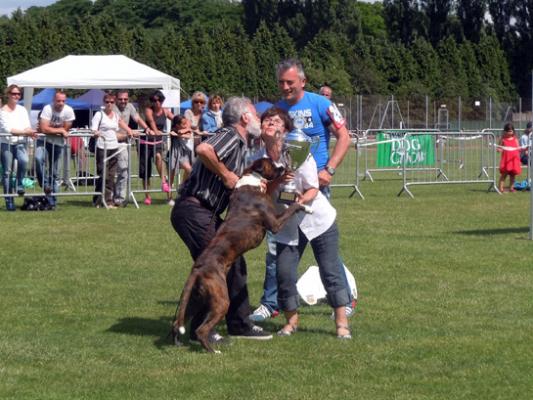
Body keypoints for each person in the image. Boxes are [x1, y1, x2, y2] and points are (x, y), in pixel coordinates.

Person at [250, 59, 355, 321]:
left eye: (290, 82)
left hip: (314, 188)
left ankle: (344, 299)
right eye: (281, 83)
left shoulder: (321, 104)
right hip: (283, 191)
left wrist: (328, 169)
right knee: (277, 249)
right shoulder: (277, 110)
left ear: (303, 82)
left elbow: (345, 136)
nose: (285, 87)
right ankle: (271, 303)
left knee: (325, 250)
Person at [170, 96, 272, 344]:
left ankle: (225, 325)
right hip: (195, 210)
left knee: (229, 265)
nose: (258, 119)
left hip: (202, 211)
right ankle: (205, 329)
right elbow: (203, 149)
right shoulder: (230, 134)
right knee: (217, 267)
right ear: (245, 118)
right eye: (256, 115)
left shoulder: (241, 144)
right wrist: (227, 174)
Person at [259, 108, 352, 339]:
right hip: (286, 223)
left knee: (330, 269)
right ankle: (291, 322)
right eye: (266, 120)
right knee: (284, 272)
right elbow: (265, 191)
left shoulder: (299, 149)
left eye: (275, 120)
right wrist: (279, 181)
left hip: (317, 218)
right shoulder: (258, 157)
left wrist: (299, 201)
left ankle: (342, 324)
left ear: (286, 130)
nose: (270, 123)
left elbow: (313, 187)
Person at [91, 92, 133, 208]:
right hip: (102, 147)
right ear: (103, 103)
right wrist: (96, 133)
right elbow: (93, 129)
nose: (109, 104)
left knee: (111, 175)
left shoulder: (115, 115)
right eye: (107, 102)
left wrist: (129, 131)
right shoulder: (99, 115)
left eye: (111, 102)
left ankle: (107, 201)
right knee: (103, 175)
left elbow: (121, 123)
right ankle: (99, 199)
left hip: (114, 147)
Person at [36, 90, 76, 208]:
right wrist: (60, 130)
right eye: (58, 101)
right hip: (43, 141)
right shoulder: (47, 108)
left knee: (54, 172)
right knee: (38, 159)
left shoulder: (69, 111)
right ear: (54, 100)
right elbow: (44, 129)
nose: (61, 103)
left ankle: (52, 201)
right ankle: (45, 185)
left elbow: (66, 128)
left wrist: (54, 129)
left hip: (58, 143)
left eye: (63, 101)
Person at [0, 84, 37, 211]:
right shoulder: (3, 111)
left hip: (21, 143)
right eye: (14, 94)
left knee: (24, 161)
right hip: (7, 144)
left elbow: (26, 126)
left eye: (18, 94)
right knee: (6, 173)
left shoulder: (22, 110)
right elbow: (9, 130)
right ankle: (9, 200)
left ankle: (20, 184)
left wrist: (31, 131)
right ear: (8, 95)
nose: (16, 96)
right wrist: (26, 132)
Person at [113, 90, 150, 207]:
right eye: (121, 99)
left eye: (125, 99)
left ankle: (120, 198)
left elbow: (137, 118)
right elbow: (119, 122)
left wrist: (146, 128)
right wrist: (130, 131)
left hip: (124, 142)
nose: (123, 101)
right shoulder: (112, 108)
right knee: (111, 172)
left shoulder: (130, 107)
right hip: (111, 142)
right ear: (116, 98)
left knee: (124, 170)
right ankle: (110, 197)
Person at [142, 90, 174, 205]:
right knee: (145, 171)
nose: (157, 103)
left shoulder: (165, 111)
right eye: (154, 100)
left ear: (162, 100)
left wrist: (183, 127)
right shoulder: (148, 110)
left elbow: (176, 119)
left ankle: (165, 184)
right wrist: (155, 131)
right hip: (145, 142)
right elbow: (151, 122)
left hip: (158, 141)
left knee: (159, 157)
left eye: (159, 100)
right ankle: (147, 196)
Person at [167, 115, 194, 206]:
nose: (186, 125)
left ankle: (181, 187)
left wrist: (180, 132)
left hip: (185, 154)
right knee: (171, 174)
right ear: (177, 125)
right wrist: (177, 133)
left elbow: (188, 134)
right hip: (175, 153)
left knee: (189, 170)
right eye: (183, 124)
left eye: (186, 123)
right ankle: (169, 197)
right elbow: (172, 133)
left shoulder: (186, 129)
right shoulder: (173, 130)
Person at [498, 122, 521, 193]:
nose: (509, 132)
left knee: (512, 175)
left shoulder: (515, 139)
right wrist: (499, 149)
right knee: (504, 175)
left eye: (510, 131)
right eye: (507, 131)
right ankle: (500, 188)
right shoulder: (503, 139)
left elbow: (518, 148)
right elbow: (499, 148)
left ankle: (511, 188)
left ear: (513, 131)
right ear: (504, 131)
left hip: (513, 160)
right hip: (506, 160)